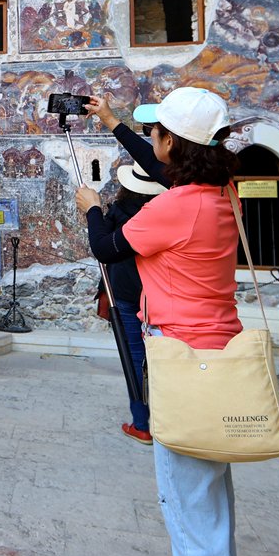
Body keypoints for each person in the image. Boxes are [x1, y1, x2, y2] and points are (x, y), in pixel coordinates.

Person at [74, 86, 243, 556]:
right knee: (210, 490)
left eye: (155, 132)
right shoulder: (220, 193)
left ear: (172, 141)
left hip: (181, 357)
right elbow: (159, 167)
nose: (152, 139)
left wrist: (91, 206)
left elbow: (107, 248)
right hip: (219, 348)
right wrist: (111, 120)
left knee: (185, 496)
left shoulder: (175, 207)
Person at [80, 164, 165, 444]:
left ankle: (141, 423)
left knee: (134, 359)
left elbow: (101, 243)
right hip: (159, 296)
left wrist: (93, 211)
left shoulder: (118, 212)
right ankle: (171, 418)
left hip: (125, 295)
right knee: (165, 358)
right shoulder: (166, 212)